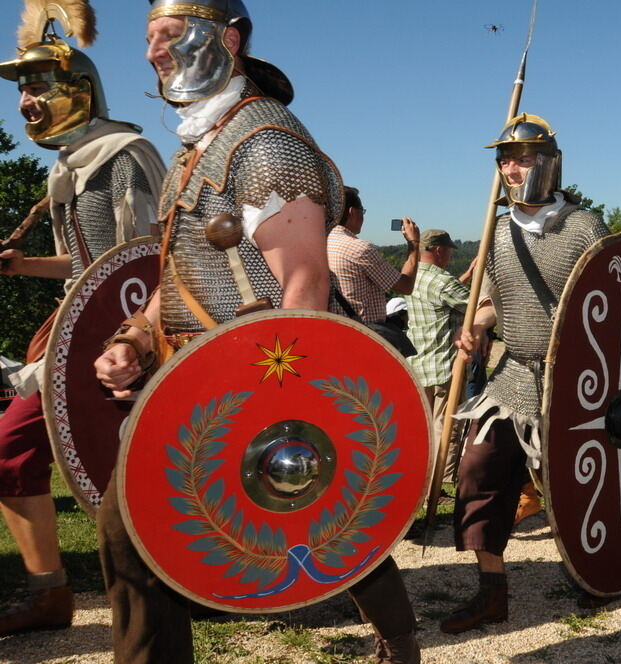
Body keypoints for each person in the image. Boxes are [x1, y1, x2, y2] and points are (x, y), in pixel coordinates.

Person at [92, 2, 419, 662]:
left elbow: (302, 288)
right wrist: (134, 338)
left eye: (168, 35)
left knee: (325, 518)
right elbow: (182, 277)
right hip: (197, 380)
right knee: (135, 531)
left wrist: (267, 409)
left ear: (229, 38)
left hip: (262, 379)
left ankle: (402, 642)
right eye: (148, 39)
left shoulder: (264, 144)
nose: (153, 52)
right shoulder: (194, 155)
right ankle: (403, 640)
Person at [0, 0, 164, 635]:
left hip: (128, 336)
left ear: (78, 90)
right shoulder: (70, 167)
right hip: (77, 332)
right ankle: (50, 591)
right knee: (14, 454)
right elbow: (83, 265)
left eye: (38, 86)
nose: (26, 102)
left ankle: (191, 576)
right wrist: (23, 266)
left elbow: (148, 261)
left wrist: (135, 341)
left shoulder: (126, 155)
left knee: (156, 464)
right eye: (23, 90)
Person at [441, 113, 609, 633]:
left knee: (579, 488)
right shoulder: (496, 229)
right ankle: (492, 591)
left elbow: (614, 308)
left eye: (523, 158)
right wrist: (479, 329)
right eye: (505, 160)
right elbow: (493, 303)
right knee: (477, 473)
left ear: (549, 164)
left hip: (577, 382)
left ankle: (599, 573)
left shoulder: (585, 227)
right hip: (513, 378)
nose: (512, 169)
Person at [403, 230, 473, 486]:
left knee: (423, 428)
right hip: (444, 363)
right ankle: (441, 481)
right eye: (450, 251)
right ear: (440, 250)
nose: (450, 256)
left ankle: (420, 477)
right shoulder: (442, 280)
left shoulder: (411, 275)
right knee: (446, 427)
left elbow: (441, 299)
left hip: (418, 362)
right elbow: (473, 305)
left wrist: (464, 277)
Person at [327, 186, 420, 324]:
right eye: (362, 211)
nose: (363, 216)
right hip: (364, 334)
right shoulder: (360, 249)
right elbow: (405, 286)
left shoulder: (322, 243)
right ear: (352, 212)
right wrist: (414, 244)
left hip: (337, 328)